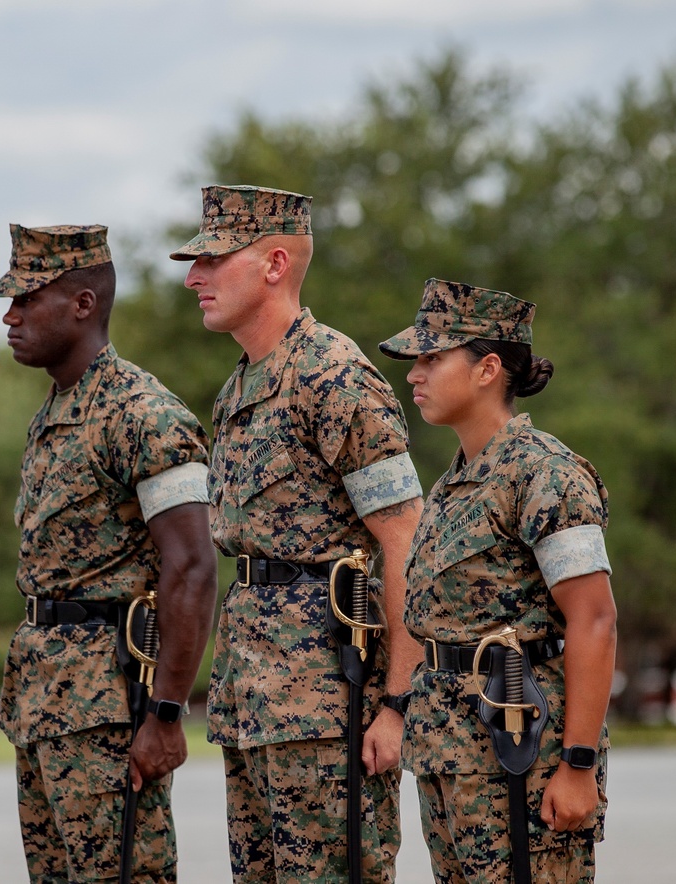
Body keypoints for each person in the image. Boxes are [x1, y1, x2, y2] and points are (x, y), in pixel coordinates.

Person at [170, 184, 425, 883]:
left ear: (274, 264)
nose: (194, 277)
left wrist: (397, 706)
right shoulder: (239, 390)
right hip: (253, 702)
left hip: (328, 705)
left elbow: (405, 544)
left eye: (213, 259)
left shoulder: (335, 377)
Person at [0, 223, 217, 882]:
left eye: (27, 298)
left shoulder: (143, 414)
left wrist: (166, 714)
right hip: (46, 705)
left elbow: (194, 566)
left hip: (109, 709)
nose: (10, 315)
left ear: (83, 304)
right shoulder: (56, 411)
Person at [379, 278, 617, 883]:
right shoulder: (453, 484)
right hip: (452, 763)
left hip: (522, 759)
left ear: (488, 368)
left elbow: (595, 619)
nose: (415, 375)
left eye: (432, 358)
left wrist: (579, 765)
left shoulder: (546, 475)